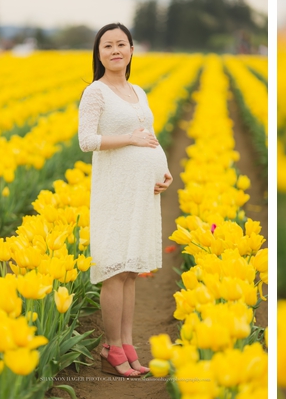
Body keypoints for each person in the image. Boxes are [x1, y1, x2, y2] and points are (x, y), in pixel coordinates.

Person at [78, 23, 173, 377]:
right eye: (108, 45)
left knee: (131, 272)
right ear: (99, 53)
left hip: (142, 191)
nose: (115, 50)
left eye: (121, 44)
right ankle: (112, 347)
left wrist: (164, 172)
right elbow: (87, 140)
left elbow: (149, 136)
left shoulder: (138, 92)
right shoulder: (95, 93)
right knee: (114, 271)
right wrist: (130, 140)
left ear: (132, 50)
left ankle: (127, 344)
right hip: (115, 190)